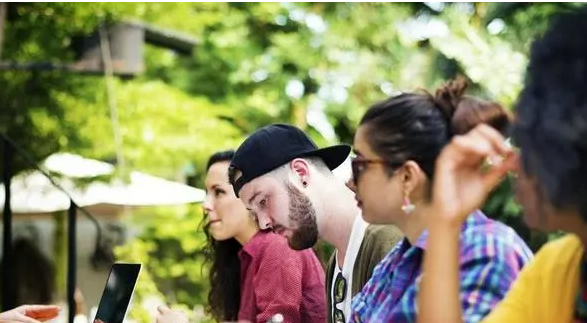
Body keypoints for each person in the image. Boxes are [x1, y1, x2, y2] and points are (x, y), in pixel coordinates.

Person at [418, 7, 587, 323]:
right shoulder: (558, 269)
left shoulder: (503, 252)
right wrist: (444, 221)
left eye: (525, 142)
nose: (512, 163)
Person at [347, 77, 533, 323]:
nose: (349, 181)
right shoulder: (398, 260)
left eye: (360, 164)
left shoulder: (487, 250)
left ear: (407, 176)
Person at [228, 125, 403, 323]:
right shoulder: (336, 266)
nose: (263, 223)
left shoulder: (389, 240)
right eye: (254, 213)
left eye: (263, 201)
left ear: (301, 174)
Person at [156, 150, 327, 323]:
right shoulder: (248, 254)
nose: (206, 205)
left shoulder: (278, 246)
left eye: (219, 192)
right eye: (206, 192)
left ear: (248, 195)